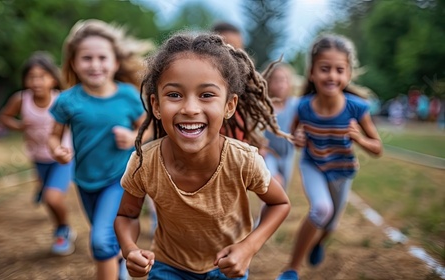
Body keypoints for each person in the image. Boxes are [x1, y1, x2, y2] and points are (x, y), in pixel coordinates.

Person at [114, 32, 292, 280]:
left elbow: (280, 203)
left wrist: (247, 248)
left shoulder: (243, 160)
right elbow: (126, 215)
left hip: (226, 269)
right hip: (167, 267)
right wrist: (129, 249)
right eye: (174, 95)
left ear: (229, 105)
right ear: (155, 105)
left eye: (206, 95)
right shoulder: (144, 162)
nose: (190, 108)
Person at [48, 19, 152, 280]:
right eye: (86, 58)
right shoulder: (67, 100)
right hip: (85, 181)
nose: (95, 65)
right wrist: (57, 151)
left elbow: (149, 129)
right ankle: (119, 263)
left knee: (100, 242)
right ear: (73, 62)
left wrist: (133, 137)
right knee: (107, 234)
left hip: (120, 179)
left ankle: (114, 266)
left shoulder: (128, 95)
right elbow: (53, 137)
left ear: (115, 62)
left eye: (102, 58)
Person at [277, 34, 383, 280]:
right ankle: (291, 269)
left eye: (339, 70)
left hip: (342, 172)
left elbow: (377, 148)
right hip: (313, 165)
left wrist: (360, 139)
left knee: (330, 225)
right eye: (325, 69)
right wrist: (297, 139)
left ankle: (318, 243)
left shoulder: (356, 108)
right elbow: (293, 136)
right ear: (312, 72)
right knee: (321, 210)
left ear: (348, 74)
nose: (332, 76)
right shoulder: (303, 106)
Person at [0, 51, 75, 256]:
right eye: (31, 77)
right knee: (46, 194)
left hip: (62, 157)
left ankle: (63, 231)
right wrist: (20, 126)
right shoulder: (21, 99)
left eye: (41, 76)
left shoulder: (61, 99)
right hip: (38, 156)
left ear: (52, 78)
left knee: (52, 198)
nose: (36, 81)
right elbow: (3, 118)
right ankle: (44, 191)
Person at [261, 60, 299, 190]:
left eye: (284, 80)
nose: (281, 85)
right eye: (276, 80)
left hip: (288, 154)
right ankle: (265, 209)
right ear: (268, 82)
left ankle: (273, 209)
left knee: (283, 190)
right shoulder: (264, 106)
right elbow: (256, 129)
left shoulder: (295, 104)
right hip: (269, 153)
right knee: (273, 184)